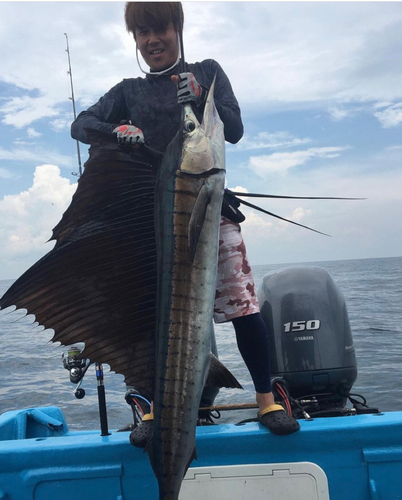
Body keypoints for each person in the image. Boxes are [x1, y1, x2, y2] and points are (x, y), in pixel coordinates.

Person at [71, 2, 299, 441]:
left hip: (211, 206)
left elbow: (232, 129)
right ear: (135, 40)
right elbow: (81, 124)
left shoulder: (208, 72)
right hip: (152, 220)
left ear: (178, 28)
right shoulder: (127, 91)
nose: (152, 40)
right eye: (142, 33)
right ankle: (155, 407)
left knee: (242, 303)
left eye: (160, 28)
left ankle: (268, 400)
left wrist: (197, 95)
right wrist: (115, 130)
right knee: (152, 312)